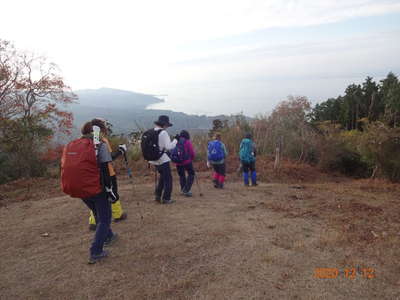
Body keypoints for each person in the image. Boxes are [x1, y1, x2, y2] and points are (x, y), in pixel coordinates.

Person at [80, 121, 118, 264]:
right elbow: (105, 169)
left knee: (97, 212)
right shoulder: (99, 145)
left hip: (79, 187)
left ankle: (109, 235)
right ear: (97, 132)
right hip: (96, 187)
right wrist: (110, 190)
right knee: (105, 218)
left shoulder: (76, 144)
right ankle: (95, 251)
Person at [88, 118, 127, 231]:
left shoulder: (86, 140)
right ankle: (118, 214)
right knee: (113, 193)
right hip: (108, 172)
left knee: (96, 196)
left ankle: (93, 221)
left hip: (93, 173)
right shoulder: (102, 140)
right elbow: (109, 158)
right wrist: (121, 151)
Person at [149, 115, 178, 204]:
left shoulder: (152, 131)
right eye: (167, 125)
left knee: (162, 177)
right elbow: (169, 147)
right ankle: (166, 198)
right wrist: (176, 140)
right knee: (168, 179)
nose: (167, 127)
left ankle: (158, 195)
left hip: (154, 159)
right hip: (162, 159)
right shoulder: (163, 133)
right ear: (164, 124)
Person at [174, 130, 196, 197]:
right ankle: (186, 190)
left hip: (178, 162)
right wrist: (191, 159)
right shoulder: (187, 142)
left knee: (182, 176)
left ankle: (183, 189)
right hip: (187, 161)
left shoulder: (176, 141)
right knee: (191, 174)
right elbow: (192, 152)